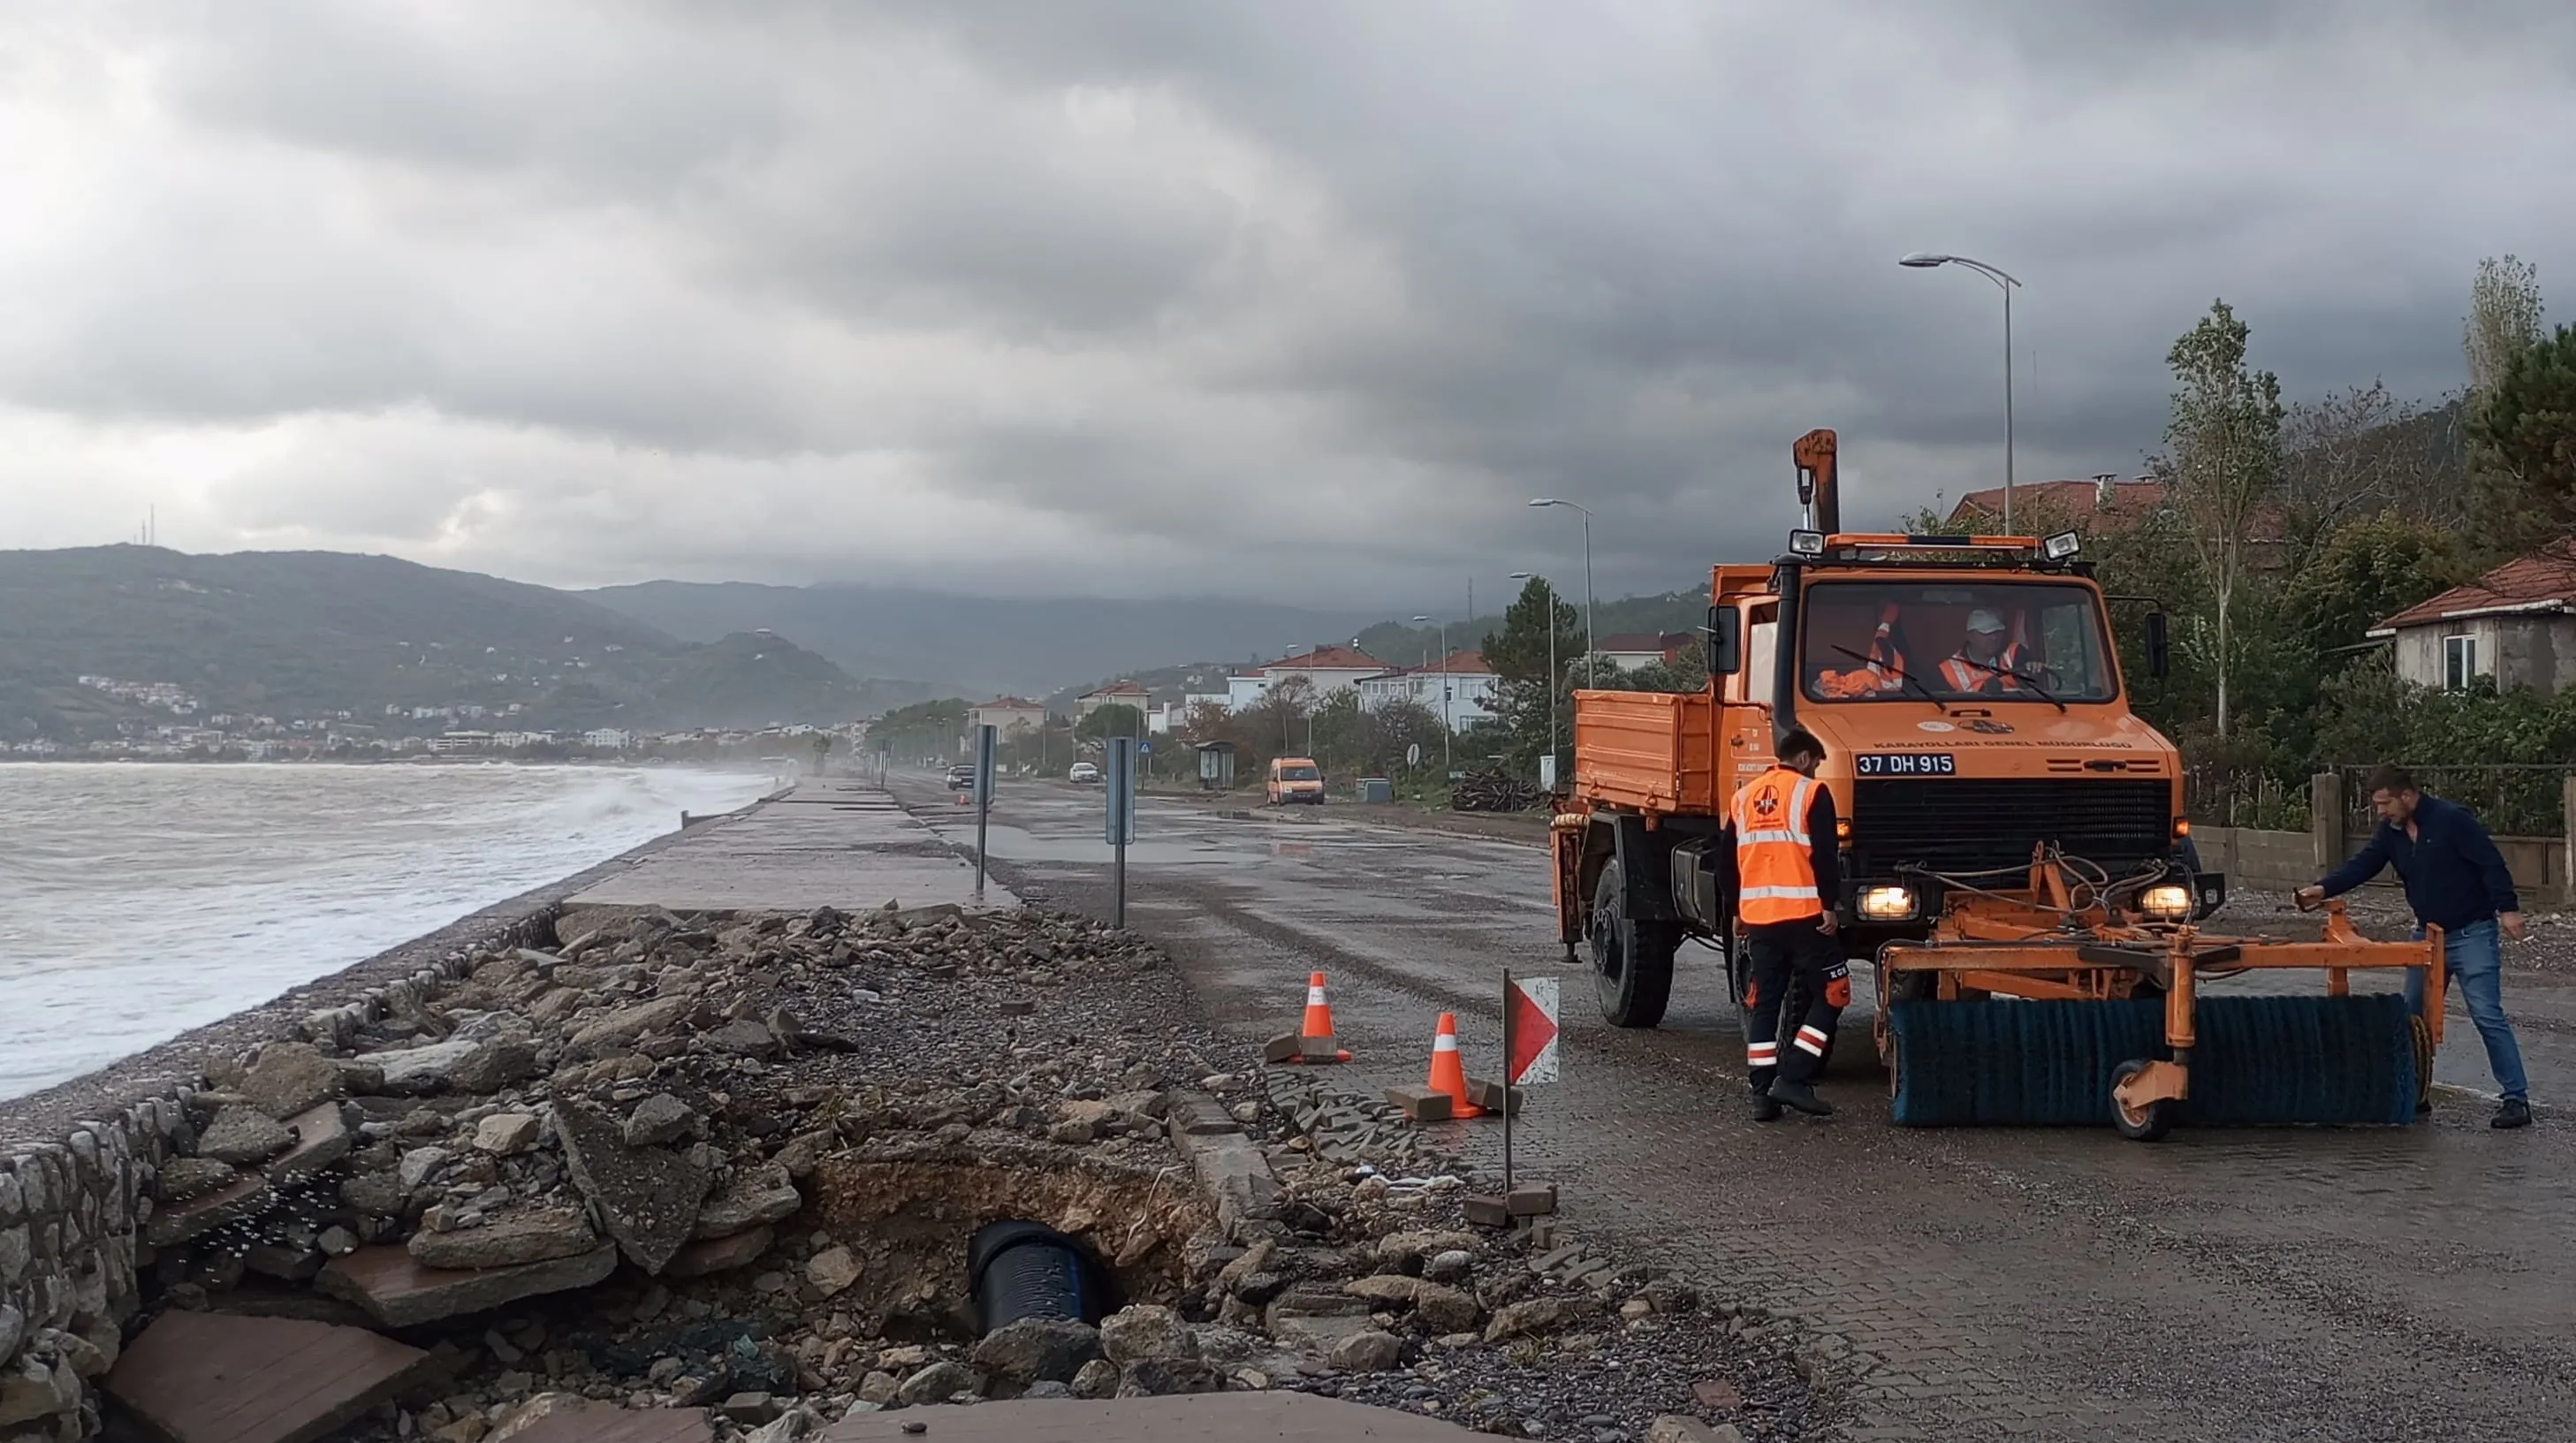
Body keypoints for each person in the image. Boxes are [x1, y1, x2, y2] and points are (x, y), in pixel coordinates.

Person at [2295, 764, 2532, 1129]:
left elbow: (2491, 863)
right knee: (2412, 1016)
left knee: (2486, 1014)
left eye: (2384, 803)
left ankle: (2516, 1099)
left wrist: (2509, 910)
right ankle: (2414, 1093)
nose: (2380, 811)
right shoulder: (2391, 831)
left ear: (2407, 795)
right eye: (2377, 805)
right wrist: (2323, 889)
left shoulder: (2452, 820)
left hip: (2471, 933)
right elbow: (2365, 864)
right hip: (2426, 936)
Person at [1731, 728, 1849, 1120]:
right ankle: (1794, 1077)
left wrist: (1736, 911)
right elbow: (1825, 855)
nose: (1815, 770)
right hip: (1806, 918)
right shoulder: (1811, 794)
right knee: (1835, 993)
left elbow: (1725, 859)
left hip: (1759, 920)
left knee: (1765, 1004)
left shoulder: (1743, 798)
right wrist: (1830, 905)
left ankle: (1762, 1095)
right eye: (1815, 762)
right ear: (1801, 758)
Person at [1939, 609, 2028, 694]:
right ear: (1970, 636)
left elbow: (2030, 682)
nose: (1994, 638)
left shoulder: (2015, 653)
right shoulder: (1949, 669)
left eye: (1997, 632)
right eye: (1987, 633)